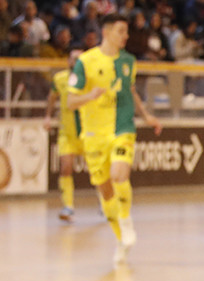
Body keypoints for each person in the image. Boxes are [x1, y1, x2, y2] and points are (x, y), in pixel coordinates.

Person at [67, 12, 163, 265]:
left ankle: (126, 219)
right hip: (93, 134)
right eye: (121, 31)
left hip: (122, 126)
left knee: (120, 174)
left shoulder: (129, 61)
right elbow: (70, 101)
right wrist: (91, 96)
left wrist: (147, 116)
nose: (126, 36)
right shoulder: (85, 62)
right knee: (105, 192)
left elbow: (131, 90)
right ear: (106, 32)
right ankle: (121, 237)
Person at [44, 48, 84, 223]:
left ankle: (105, 204)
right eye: (74, 59)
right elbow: (52, 97)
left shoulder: (90, 80)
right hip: (66, 133)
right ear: (68, 61)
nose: (76, 63)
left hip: (87, 133)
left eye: (80, 60)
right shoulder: (59, 79)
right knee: (66, 167)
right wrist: (47, 116)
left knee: (100, 171)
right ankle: (68, 205)